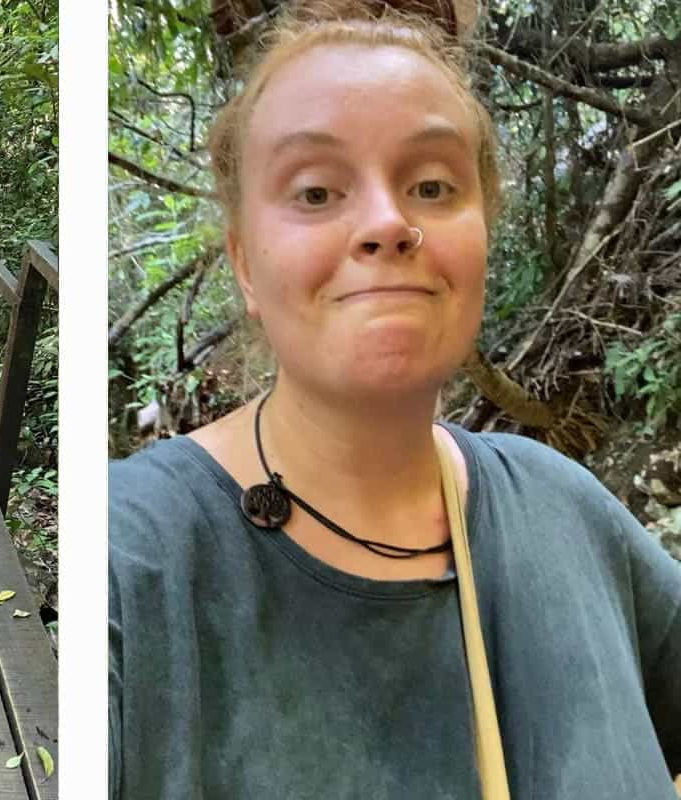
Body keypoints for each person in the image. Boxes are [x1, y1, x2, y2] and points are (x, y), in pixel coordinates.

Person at [107, 1, 681, 797]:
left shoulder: (566, 510)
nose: (386, 222)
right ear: (244, 264)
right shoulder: (131, 557)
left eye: (432, 185)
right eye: (315, 193)